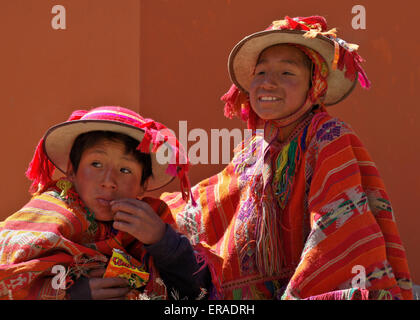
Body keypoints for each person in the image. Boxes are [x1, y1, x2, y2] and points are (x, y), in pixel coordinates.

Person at [161, 15, 413, 300]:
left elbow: (338, 231)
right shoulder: (252, 152)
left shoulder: (329, 137)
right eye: (260, 73)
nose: (268, 83)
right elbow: (209, 207)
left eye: (287, 73)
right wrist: (150, 215)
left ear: (314, 85)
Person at [0, 106, 210, 300]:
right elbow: (8, 279)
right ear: (72, 171)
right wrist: (70, 294)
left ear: (143, 185)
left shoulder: (152, 221)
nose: (109, 182)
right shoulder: (46, 216)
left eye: (125, 170)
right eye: (96, 164)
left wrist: (160, 239)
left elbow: (197, 290)